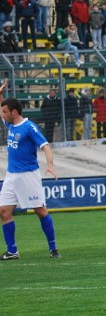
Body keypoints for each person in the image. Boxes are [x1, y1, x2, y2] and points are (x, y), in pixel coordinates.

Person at [0, 97, 60, 260]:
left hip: (28, 175)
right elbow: (2, 111)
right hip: (11, 175)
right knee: (3, 211)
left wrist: (50, 165)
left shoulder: (29, 127)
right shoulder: (10, 123)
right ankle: (12, 251)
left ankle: (53, 248)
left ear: (14, 112)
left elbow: (45, 146)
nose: (2, 115)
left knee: (40, 211)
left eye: (5, 112)